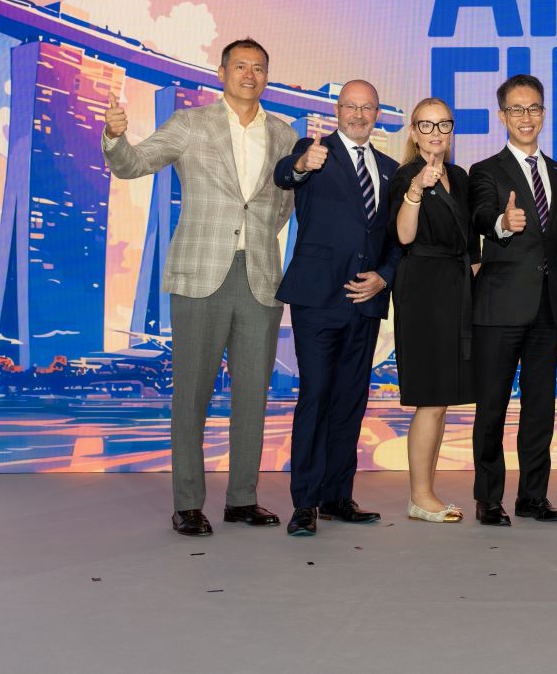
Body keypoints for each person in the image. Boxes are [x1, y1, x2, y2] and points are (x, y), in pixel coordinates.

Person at [102, 38, 297, 537]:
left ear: (267, 76)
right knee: (191, 394)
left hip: (260, 277)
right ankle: (188, 503)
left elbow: (284, 202)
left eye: (259, 67)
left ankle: (242, 499)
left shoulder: (284, 133)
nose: (249, 74)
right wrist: (115, 136)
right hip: (200, 274)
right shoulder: (190, 123)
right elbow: (133, 164)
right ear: (222, 72)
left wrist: (260, 235)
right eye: (240, 66)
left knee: (252, 397)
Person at [274, 80, 402, 536]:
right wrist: (300, 165)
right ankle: (305, 502)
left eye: (368, 108)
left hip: (366, 300)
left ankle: (337, 496)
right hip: (318, 299)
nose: (359, 115)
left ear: (377, 114)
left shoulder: (390, 169)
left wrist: (385, 276)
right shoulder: (314, 152)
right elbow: (285, 174)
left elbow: (396, 237)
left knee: (351, 400)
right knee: (316, 396)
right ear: (337, 110)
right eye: (351, 106)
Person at [469, 75, 557, 526]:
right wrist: (501, 222)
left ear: (543, 114)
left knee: (540, 410)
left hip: (548, 310)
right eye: (516, 109)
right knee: (491, 407)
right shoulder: (485, 171)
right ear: (502, 116)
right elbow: (479, 214)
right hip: (499, 307)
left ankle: (533, 496)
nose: (526, 117)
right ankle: (489, 499)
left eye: (533, 108)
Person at [386, 97, 480, 524]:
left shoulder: (459, 177)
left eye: (444, 124)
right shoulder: (403, 176)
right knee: (430, 396)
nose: (436, 132)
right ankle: (420, 496)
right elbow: (404, 235)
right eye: (426, 125)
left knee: (441, 400)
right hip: (423, 290)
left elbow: (471, 244)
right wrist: (416, 190)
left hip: (456, 290)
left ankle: (425, 491)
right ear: (413, 131)